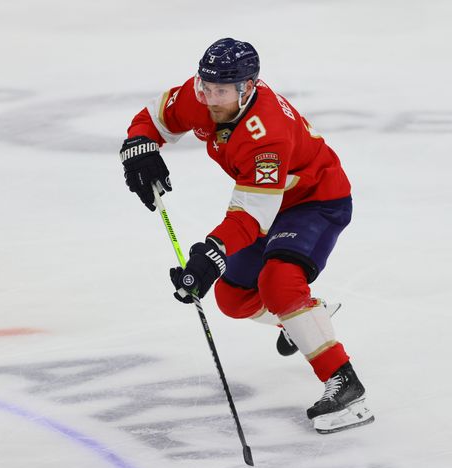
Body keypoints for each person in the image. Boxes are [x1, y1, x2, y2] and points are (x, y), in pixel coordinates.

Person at [119, 37, 374, 434]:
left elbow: (251, 216)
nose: (209, 97)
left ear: (248, 87)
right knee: (233, 298)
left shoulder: (267, 135)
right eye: (205, 86)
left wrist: (209, 255)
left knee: (279, 281)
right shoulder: (202, 92)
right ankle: (306, 317)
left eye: (220, 90)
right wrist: (140, 146)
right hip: (269, 202)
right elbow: (154, 118)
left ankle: (344, 382)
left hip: (314, 201)